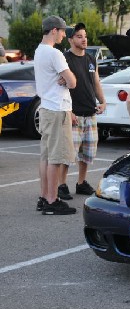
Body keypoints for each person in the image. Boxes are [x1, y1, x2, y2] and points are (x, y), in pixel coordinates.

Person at [56, 23, 107, 200]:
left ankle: (81, 183)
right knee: (68, 154)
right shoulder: (64, 59)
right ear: (70, 39)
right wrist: (68, 111)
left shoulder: (91, 59)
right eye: (79, 36)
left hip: (90, 113)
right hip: (73, 114)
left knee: (87, 153)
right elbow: (60, 87)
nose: (84, 39)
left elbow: (96, 82)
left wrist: (103, 101)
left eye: (85, 36)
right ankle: (61, 185)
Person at [34, 16, 77, 215]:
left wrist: (63, 78)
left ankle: (44, 197)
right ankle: (52, 200)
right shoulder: (55, 53)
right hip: (57, 109)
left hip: (46, 108)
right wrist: (66, 78)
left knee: (46, 156)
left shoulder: (39, 51)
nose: (63, 34)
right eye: (62, 31)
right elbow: (73, 82)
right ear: (53, 30)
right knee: (56, 158)